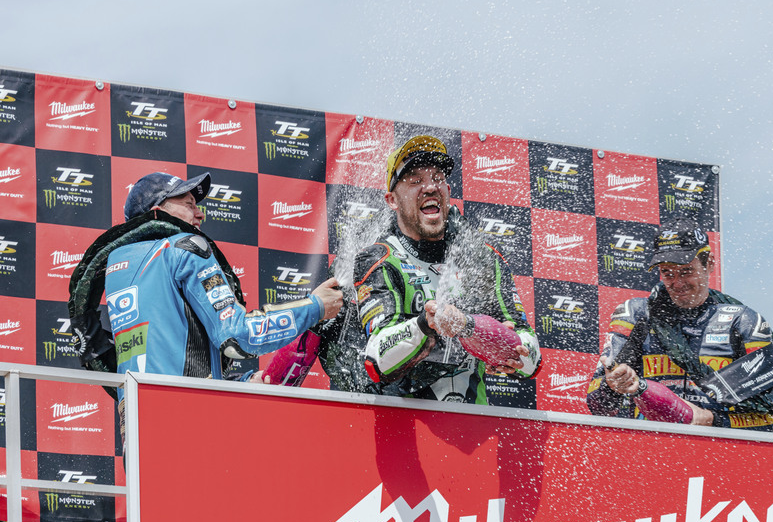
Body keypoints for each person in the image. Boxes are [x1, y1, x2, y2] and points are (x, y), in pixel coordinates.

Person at [71, 171, 344, 398]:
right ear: (158, 210)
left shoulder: (116, 265)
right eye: (189, 204)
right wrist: (315, 307)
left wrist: (244, 382)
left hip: (136, 423)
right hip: (188, 417)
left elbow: (169, 356)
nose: (199, 215)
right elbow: (238, 337)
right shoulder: (183, 246)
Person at [347, 135, 541, 403]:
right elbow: (377, 361)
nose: (430, 187)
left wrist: (482, 334)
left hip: (472, 425)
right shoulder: (380, 259)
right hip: (403, 425)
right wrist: (425, 324)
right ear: (392, 200)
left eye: (437, 177)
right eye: (414, 180)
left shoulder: (482, 257)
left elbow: (532, 359)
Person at [586, 220, 773, 431]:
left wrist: (709, 420)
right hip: (648, 451)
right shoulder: (636, 315)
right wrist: (612, 386)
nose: (677, 283)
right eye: (667, 273)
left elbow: (769, 422)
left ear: (709, 264)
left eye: (686, 271)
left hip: (718, 456)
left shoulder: (743, 323)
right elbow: (598, 406)